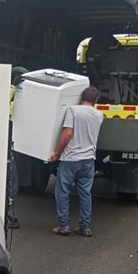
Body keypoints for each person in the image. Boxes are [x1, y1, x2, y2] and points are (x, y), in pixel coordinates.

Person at [49, 87, 104, 237]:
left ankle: (63, 226)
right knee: (85, 193)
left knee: (63, 192)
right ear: (96, 101)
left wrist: (57, 153)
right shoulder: (99, 115)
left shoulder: (73, 110)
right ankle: (84, 227)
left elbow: (67, 133)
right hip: (88, 160)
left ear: (81, 98)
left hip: (71, 159)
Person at [7, 66, 28, 229]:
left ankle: (6, 212)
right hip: (3, 147)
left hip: (9, 146)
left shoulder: (17, 97)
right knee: (11, 182)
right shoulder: (6, 93)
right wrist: (13, 87)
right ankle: (5, 214)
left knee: (12, 182)